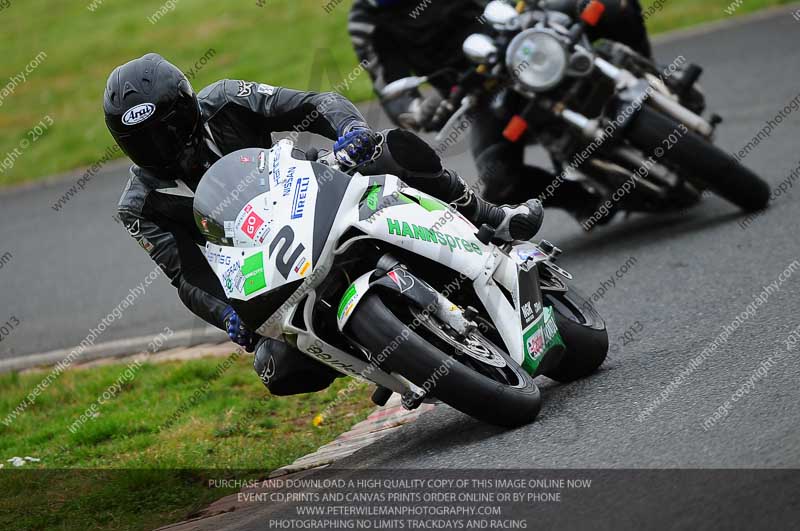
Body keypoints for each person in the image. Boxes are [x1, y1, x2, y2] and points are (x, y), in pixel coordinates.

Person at [104, 53, 542, 396]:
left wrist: (350, 129)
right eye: (143, 143)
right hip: (260, 265)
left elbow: (313, 104)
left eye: (169, 129)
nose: (162, 147)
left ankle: (489, 216)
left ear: (188, 107)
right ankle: (385, 354)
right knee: (278, 367)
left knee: (389, 151)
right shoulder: (140, 206)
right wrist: (227, 315)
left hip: (304, 191)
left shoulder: (226, 100)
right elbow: (186, 276)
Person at [348, 0, 653, 223]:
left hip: (526, 37)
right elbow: (390, 86)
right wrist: (419, 110)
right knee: (498, 180)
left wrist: (530, 9)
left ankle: (654, 81)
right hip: (479, 92)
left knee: (614, 6)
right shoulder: (366, 20)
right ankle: (584, 200)